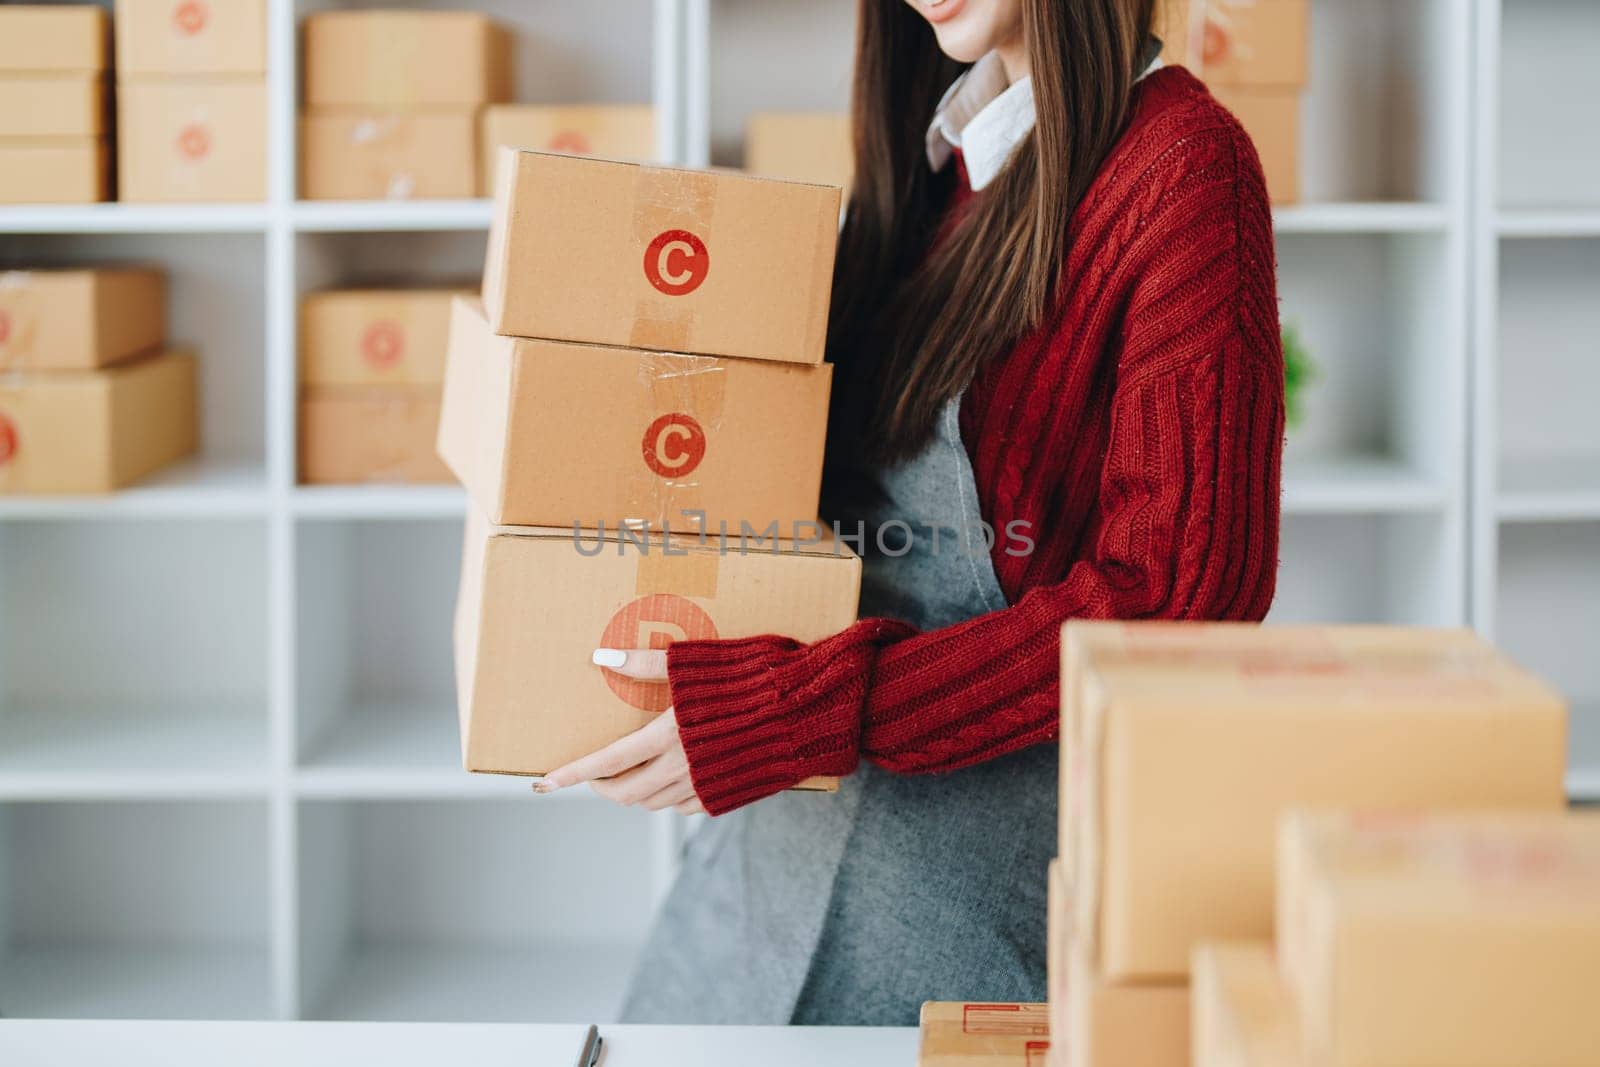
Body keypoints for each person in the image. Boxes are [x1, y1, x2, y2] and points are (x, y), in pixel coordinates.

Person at [539, 0, 1284, 1026]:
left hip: (966, 877)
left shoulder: (1183, 167)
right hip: (778, 836)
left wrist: (810, 711)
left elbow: (1180, 596)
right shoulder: (940, 164)